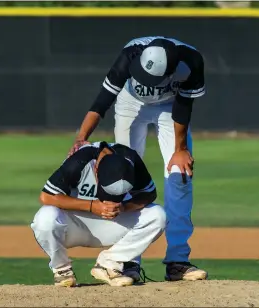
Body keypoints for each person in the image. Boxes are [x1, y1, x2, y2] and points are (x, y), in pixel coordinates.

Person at [68, 36, 208, 282]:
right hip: (130, 105)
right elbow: (103, 100)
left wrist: (181, 149)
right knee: (122, 177)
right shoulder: (130, 55)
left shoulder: (191, 62)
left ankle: (178, 260)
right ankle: (127, 260)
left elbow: (183, 107)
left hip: (169, 109)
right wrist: (81, 137)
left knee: (179, 176)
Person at [31, 141, 166, 287]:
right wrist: (91, 206)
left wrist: (124, 207)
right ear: (96, 169)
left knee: (157, 215)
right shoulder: (81, 160)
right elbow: (47, 196)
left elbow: (149, 194)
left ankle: (109, 263)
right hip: (75, 225)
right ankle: (62, 269)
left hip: (114, 223)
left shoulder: (131, 159)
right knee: (45, 218)